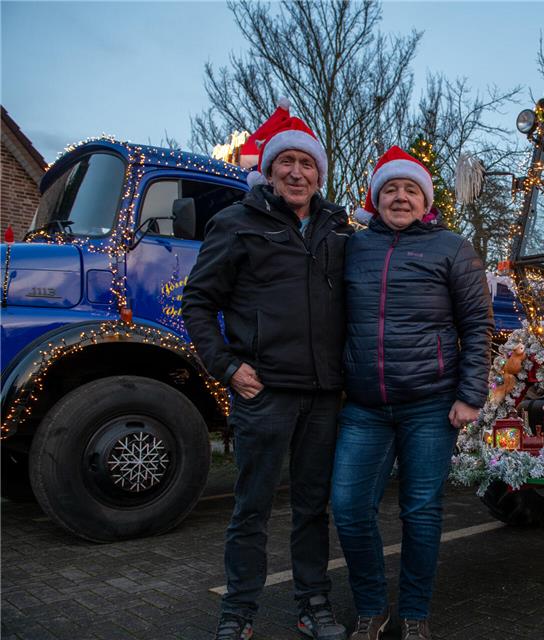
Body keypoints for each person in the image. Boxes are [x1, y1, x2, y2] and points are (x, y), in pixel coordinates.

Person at [182, 103, 351, 640]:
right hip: (264, 393)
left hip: (325, 396)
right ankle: (239, 611)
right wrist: (227, 366)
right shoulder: (235, 223)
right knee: (251, 507)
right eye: (287, 163)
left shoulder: (339, 230)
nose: (297, 172)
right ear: (271, 170)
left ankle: (313, 604)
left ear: (320, 174)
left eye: (308, 163)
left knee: (311, 507)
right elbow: (198, 303)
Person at [331, 147, 492, 640]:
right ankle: (373, 608)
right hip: (364, 406)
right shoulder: (352, 247)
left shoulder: (452, 248)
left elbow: (478, 325)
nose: (400, 197)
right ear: (376, 199)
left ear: (426, 200)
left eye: (411, 189)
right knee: (349, 506)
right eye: (391, 189)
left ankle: (416, 614)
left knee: (421, 509)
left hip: (430, 404)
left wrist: (471, 395)